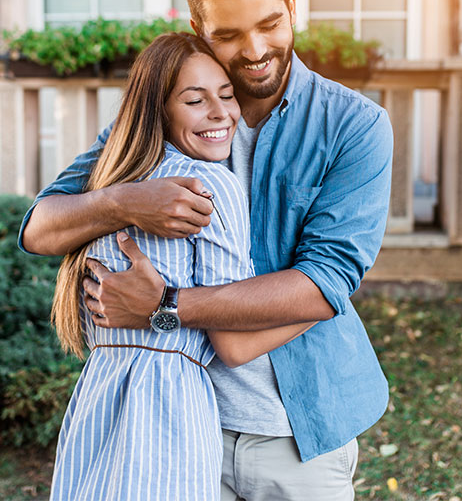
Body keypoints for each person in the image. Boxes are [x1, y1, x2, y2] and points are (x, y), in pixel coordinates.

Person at [20, 0, 394, 501]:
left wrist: (164, 308)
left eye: (270, 23)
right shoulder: (163, 114)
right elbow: (41, 228)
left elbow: (326, 284)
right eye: (228, 34)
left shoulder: (353, 126)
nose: (254, 50)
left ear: (292, 6)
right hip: (181, 423)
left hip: (300, 431)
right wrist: (124, 201)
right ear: (199, 30)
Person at [47, 32, 315, 501]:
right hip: (170, 406)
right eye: (195, 100)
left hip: (98, 395)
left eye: (227, 95)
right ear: (160, 110)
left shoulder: (104, 183)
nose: (220, 113)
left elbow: (41, 228)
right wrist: (323, 301)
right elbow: (231, 344)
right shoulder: (209, 185)